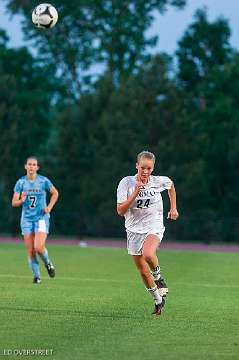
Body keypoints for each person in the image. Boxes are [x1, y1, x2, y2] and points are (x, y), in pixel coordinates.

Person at [116, 151, 179, 316]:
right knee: (143, 271)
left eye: (149, 168)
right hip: (133, 230)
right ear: (136, 165)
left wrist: (173, 208)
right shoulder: (126, 183)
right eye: (142, 167)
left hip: (154, 225)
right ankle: (158, 300)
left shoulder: (157, 181)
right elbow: (121, 211)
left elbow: (171, 185)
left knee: (148, 253)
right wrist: (135, 193)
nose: (145, 172)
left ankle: (158, 277)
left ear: (153, 168)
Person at [12, 156, 59, 284]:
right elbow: (14, 202)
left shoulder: (43, 181)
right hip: (26, 219)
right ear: (25, 166)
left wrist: (49, 207)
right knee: (31, 250)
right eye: (29, 164)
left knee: (38, 247)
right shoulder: (21, 183)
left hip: (41, 218)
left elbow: (55, 193)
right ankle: (37, 277)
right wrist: (21, 200)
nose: (31, 167)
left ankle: (48, 264)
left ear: (37, 167)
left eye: (34, 165)